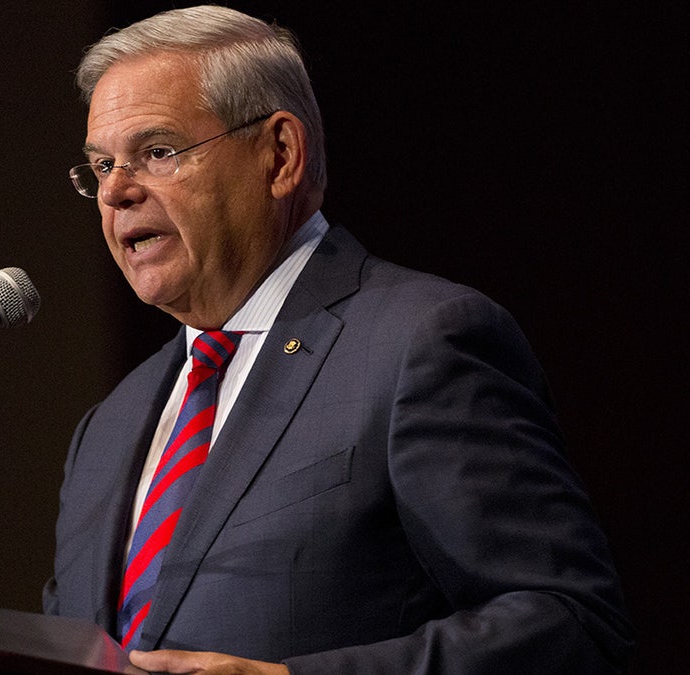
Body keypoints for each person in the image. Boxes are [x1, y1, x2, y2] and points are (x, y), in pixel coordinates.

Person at [42, 5, 633, 674]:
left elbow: (571, 625)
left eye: (158, 152)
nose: (117, 191)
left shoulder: (422, 344)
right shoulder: (108, 427)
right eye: (100, 165)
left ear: (280, 155)